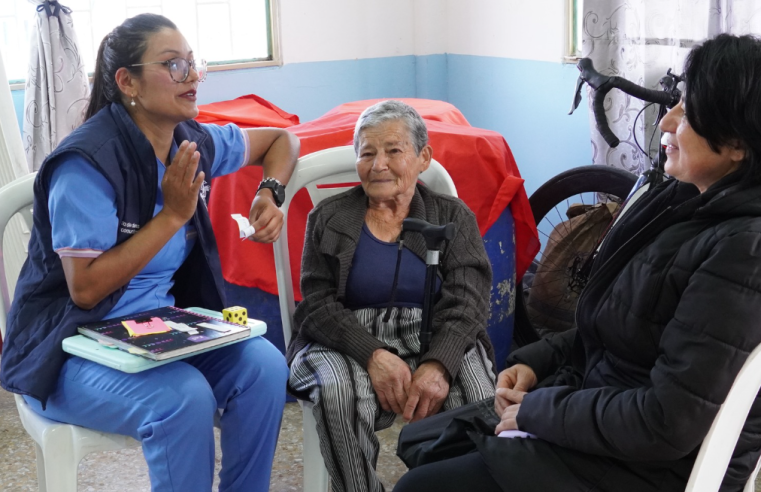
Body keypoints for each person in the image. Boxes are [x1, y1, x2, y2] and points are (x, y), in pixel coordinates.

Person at [393, 33, 761, 492]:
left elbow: (666, 421)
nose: (666, 121)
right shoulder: (684, 202)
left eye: (687, 112)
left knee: (424, 484)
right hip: (608, 414)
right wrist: (538, 363)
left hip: (653, 467)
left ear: (736, 144)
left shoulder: (742, 253)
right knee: (422, 440)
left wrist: (539, 411)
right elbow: (618, 328)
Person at [0, 14, 299, 492]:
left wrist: (270, 191)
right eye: (172, 65)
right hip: (67, 349)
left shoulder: (190, 141)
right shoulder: (87, 163)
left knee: (264, 368)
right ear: (127, 82)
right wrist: (172, 216)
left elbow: (283, 140)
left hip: (155, 333)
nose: (191, 76)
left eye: (191, 63)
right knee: (184, 398)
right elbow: (85, 289)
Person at [287, 100, 497, 492]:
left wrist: (438, 364)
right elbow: (316, 304)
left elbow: (468, 303)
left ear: (423, 158)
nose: (378, 163)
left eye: (393, 151)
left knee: (475, 391)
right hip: (346, 339)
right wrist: (372, 353)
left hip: (433, 333)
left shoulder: (452, 217)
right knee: (337, 390)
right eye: (367, 153)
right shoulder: (330, 218)